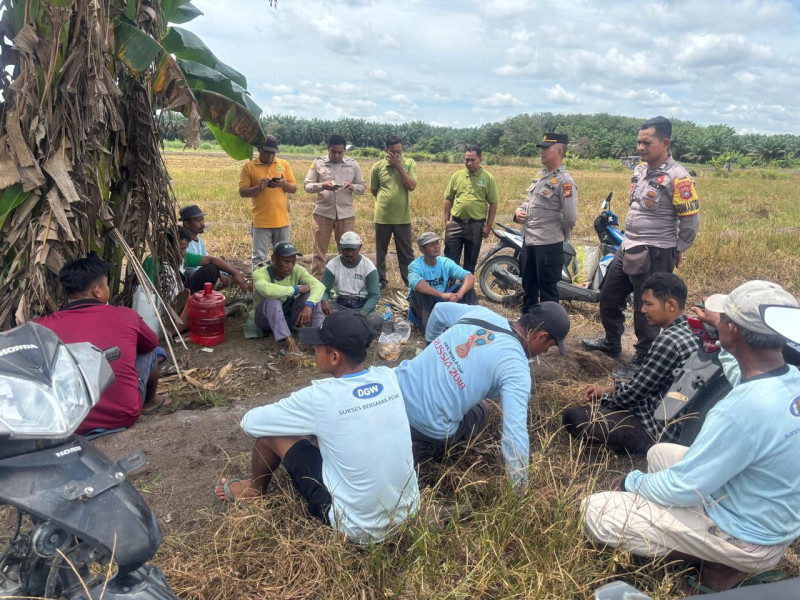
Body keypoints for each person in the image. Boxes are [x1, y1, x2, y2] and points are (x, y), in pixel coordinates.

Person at [581, 280, 800, 594]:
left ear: (735, 331)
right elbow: (741, 372)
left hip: (746, 538)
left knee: (597, 511)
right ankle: (704, 546)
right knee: (659, 454)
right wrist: (721, 331)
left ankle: (717, 566)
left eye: (724, 318)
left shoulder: (739, 411)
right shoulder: (788, 378)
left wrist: (631, 483)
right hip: (771, 520)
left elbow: (682, 487)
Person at [215, 311, 420, 544]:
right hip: (407, 512)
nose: (314, 350)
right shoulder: (387, 377)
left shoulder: (320, 397)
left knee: (270, 435)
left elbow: (250, 423)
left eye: (318, 347)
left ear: (334, 357)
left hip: (358, 528)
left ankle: (254, 489)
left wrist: (301, 424)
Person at [395, 301, 570, 487]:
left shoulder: (480, 313)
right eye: (548, 347)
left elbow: (438, 310)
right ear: (541, 336)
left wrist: (431, 344)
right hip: (426, 426)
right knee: (483, 409)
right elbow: (514, 434)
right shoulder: (516, 368)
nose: (543, 353)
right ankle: (423, 449)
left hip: (393, 394)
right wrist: (520, 492)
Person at [582, 116, 700, 380]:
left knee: (646, 308)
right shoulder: (640, 170)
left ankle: (644, 358)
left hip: (656, 251)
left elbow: (690, 220)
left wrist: (678, 248)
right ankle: (612, 341)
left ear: (665, 143)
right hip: (629, 245)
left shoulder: (677, 177)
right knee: (609, 296)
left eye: (647, 142)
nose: (640, 147)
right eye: (638, 141)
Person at [562, 273, 699, 454]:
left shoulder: (669, 341)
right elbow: (645, 381)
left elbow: (633, 395)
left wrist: (604, 400)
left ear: (671, 305)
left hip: (657, 431)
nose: (642, 310)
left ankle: (625, 446)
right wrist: (608, 389)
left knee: (575, 417)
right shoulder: (692, 329)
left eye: (649, 304)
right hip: (678, 422)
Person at [34, 254, 169, 436]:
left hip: (68, 422)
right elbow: (150, 343)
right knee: (153, 351)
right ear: (97, 291)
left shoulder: (42, 326)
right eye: (106, 284)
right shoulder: (126, 316)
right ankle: (150, 402)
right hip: (121, 416)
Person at [513, 133, 578, 310]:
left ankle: (550, 334)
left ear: (559, 151)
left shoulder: (565, 182)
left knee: (548, 294)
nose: (542, 151)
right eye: (541, 147)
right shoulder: (541, 176)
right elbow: (531, 202)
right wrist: (518, 211)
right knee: (529, 290)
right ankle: (527, 329)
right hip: (530, 241)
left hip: (548, 245)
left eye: (546, 148)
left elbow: (570, 217)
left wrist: (558, 235)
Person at [303, 135, 367, 278]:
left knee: (347, 251)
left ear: (344, 150)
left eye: (340, 152)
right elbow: (307, 185)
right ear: (328, 149)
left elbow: (362, 187)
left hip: (346, 215)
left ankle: (346, 281)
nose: (337, 155)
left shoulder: (353, 164)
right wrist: (322, 186)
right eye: (334, 152)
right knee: (319, 253)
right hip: (323, 214)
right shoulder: (318, 163)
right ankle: (317, 284)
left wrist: (352, 187)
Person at [248, 241, 324, 355]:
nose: (290, 266)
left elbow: (319, 286)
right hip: (265, 320)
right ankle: (288, 340)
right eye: (286, 261)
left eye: (293, 262)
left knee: (311, 296)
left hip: (287, 317)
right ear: (274, 259)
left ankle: (318, 340)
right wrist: (296, 289)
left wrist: (309, 305)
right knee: (272, 298)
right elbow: (267, 290)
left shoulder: (297, 270)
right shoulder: (260, 272)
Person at [238, 135, 297, 268]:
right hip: (261, 222)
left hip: (282, 221)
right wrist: (259, 187)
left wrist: (283, 184)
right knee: (259, 258)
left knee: (284, 256)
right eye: (267, 152)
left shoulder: (284, 164)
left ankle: (280, 286)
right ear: (259, 149)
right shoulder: (249, 167)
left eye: (273, 153)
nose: (271, 156)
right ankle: (259, 287)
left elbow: (293, 188)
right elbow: (242, 192)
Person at [143, 226, 248, 296]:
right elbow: (147, 292)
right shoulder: (154, 263)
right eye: (181, 248)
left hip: (182, 292)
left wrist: (235, 273)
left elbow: (212, 259)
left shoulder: (181, 256)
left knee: (211, 269)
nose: (184, 252)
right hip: (165, 300)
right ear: (168, 246)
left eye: (185, 248)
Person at [370, 135, 417, 288]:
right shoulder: (377, 167)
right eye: (393, 152)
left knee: (406, 253)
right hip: (382, 217)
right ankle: (381, 281)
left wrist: (399, 167)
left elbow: (411, 186)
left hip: (402, 218)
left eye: (399, 152)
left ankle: (410, 281)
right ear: (386, 150)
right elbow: (374, 189)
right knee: (380, 252)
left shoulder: (409, 164)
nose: (397, 155)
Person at [443, 145, 499, 273]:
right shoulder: (457, 175)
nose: (469, 163)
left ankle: (466, 291)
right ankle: (450, 289)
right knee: (450, 261)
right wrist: (446, 221)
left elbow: (493, 203)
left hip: (476, 226)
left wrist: (488, 226)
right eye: (466, 160)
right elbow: (448, 198)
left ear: (480, 159)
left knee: (470, 261)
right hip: (455, 224)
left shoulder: (488, 178)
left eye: (472, 160)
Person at [407, 231, 478, 332]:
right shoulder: (415, 265)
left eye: (437, 243)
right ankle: (429, 329)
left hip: (440, 302)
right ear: (422, 250)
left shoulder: (445, 262)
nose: (437, 247)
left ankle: (472, 321)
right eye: (431, 245)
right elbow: (416, 283)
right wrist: (441, 294)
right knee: (419, 293)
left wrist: (460, 294)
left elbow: (469, 276)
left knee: (467, 288)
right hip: (424, 305)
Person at [320, 231, 381, 329]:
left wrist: (363, 313)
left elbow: (374, 295)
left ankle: (344, 325)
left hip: (361, 306)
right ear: (340, 247)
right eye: (345, 249)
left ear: (360, 247)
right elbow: (324, 289)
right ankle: (354, 327)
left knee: (375, 318)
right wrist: (324, 301)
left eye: (353, 249)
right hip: (340, 305)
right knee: (319, 313)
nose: (349, 253)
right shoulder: (332, 265)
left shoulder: (368, 266)